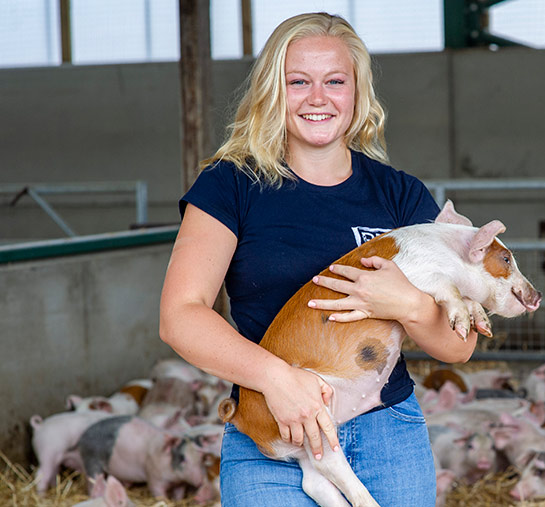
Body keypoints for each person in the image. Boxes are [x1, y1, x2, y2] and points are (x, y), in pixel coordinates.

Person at [159, 12, 477, 506]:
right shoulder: (231, 186)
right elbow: (181, 315)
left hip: (385, 430)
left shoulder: (399, 196)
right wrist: (276, 379)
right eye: (297, 81)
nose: (318, 98)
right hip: (274, 428)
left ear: (357, 91)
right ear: (273, 90)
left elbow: (459, 350)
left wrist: (410, 304)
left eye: (335, 81)